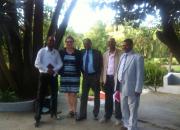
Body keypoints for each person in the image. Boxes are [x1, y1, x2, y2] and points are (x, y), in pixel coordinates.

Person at [34, 36, 63, 127]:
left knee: (54, 95)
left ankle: (54, 113)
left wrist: (54, 70)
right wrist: (47, 70)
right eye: (50, 40)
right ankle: (38, 118)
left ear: (54, 43)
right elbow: (37, 63)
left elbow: (60, 63)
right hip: (44, 76)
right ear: (47, 41)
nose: (51, 42)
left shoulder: (56, 52)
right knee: (40, 96)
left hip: (53, 76)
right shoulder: (42, 51)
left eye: (53, 41)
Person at [117, 39, 144, 130]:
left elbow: (140, 74)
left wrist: (138, 89)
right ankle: (126, 124)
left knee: (133, 109)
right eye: (123, 45)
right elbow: (120, 71)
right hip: (121, 86)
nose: (124, 47)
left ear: (132, 45)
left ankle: (132, 127)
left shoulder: (137, 57)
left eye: (126, 45)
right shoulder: (122, 56)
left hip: (132, 88)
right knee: (123, 107)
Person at [76, 38, 103, 121]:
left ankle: (95, 114)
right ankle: (82, 115)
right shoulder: (81, 52)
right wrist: (83, 72)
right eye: (84, 44)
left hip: (95, 76)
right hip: (86, 76)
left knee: (97, 96)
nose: (86, 45)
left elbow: (101, 65)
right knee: (83, 96)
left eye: (87, 43)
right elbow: (79, 63)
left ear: (91, 44)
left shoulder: (97, 53)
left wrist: (98, 76)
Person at [99, 38, 122, 125]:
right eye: (109, 42)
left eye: (112, 42)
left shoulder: (120, 53)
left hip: (116, 79)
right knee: (108, 98)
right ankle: (107, 116)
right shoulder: (105, 54)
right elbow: (103, 68)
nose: (111, 44)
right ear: (107, 44)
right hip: (107, 79)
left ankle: (118, 117)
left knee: (117, 98)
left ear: (115, 43)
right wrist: (101, 80)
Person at [59, 36, 81, 118]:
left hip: (75, 76)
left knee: (74, 93)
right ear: (65, 42)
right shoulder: (61, 52)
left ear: (73, 42)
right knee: (68, 93)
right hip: (65, 76)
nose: (69, 43)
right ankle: (70, 110)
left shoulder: (78, 52)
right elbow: (58, 62)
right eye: (68, 41)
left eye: (71, 41)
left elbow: (80, 64)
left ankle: (75, 111)